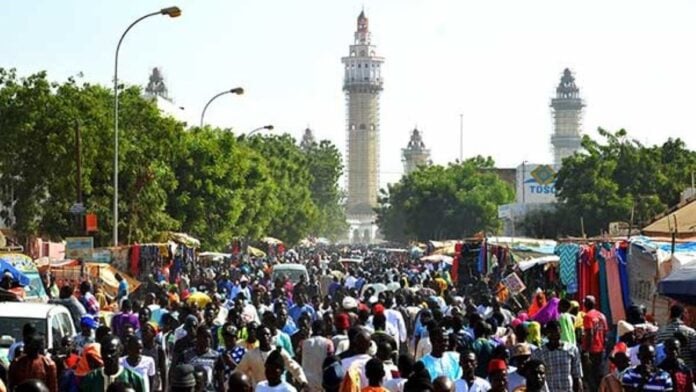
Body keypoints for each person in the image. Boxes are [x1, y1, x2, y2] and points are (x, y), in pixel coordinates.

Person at [234, 325, 307, 387]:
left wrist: (303, 381)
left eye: (267, 334)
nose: (265, 337)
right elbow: (238, 371)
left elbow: (294, 367)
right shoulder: (250, 355)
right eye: (262, 335)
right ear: (257, 337)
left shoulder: (279, 352)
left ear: (271, 336)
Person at [80, 335, 145, 392]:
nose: (108, 356)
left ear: (121, 351)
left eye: (112, 352)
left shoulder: (134, 379)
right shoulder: (91, 378)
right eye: (104, 351)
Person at [531, 320, 582, 392]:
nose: (553, 335)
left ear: (560, 331)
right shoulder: (539, 353)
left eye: (556, 332)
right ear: (546, 334)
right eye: (550, 333)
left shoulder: (571, 349)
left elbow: (577, 375)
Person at [178, 327, 221, 392]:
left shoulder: (216, 356)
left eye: (209, 337)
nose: (208, 339)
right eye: (205, 336)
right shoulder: (185, 355)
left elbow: (221, 381)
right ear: (198, 337)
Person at [657, 304, 696, 370]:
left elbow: (658, 352)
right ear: (682, 315)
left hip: (666, 371)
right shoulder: (691, 332)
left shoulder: (660, 332)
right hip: (686, 372)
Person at [582, 295, 608, 391]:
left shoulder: (588, 316)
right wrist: (603, 348)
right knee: (598, 374)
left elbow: (590, 334)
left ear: (585, 304)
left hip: (591, 350)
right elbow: (605, 335)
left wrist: (586, 351)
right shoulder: (602, 316)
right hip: (601, 350)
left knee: (589, 375)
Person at [302, 320, 334, 391]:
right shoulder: (328, 343)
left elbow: (299, 360)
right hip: (322, 383)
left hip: (307, 382)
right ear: (323, 329)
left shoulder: (304, 343)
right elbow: (331, 362)